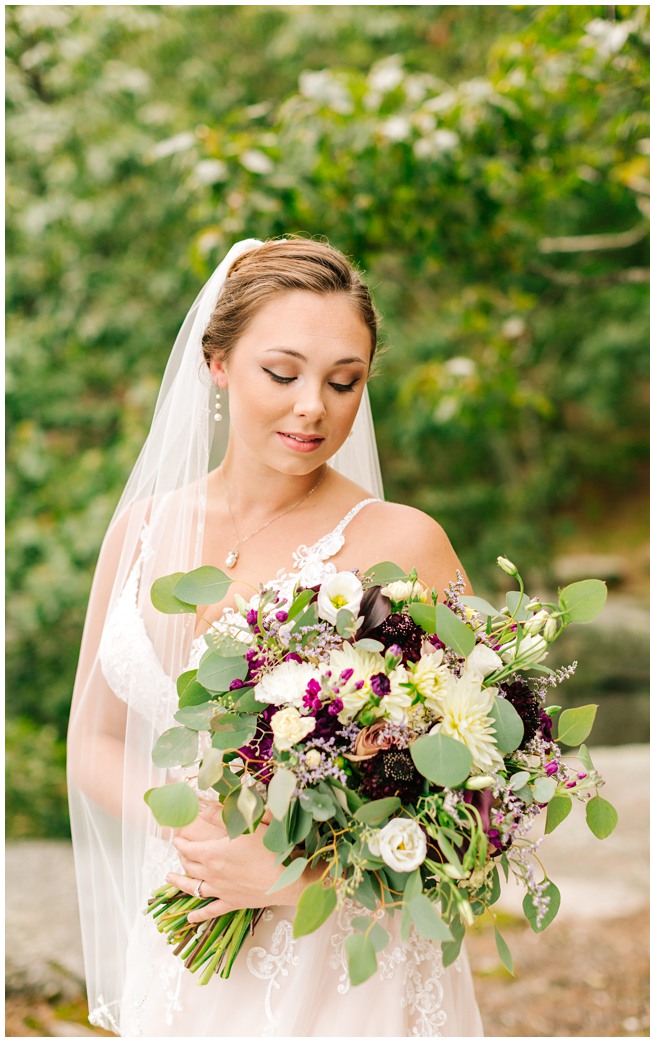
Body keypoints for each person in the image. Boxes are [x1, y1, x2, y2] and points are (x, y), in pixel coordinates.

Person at [67, 237, 485, 1035]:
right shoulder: (143, 530)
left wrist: (306, 869)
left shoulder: (406, 544)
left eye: (344, 382)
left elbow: (485, 794)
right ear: (217, 362)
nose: (313, 409)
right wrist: (185, 817)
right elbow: (94, 738)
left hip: (342, 953)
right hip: (189, 923)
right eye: (282, 373)